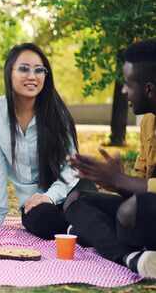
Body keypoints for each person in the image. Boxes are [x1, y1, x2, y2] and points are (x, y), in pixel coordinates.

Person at [66, 39, 156, 278]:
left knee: (129, 212)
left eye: (128, 84)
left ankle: (98, 235)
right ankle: (131, 258)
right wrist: (114, 182)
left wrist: (121, 181)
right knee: (76, 200)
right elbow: (141, 185)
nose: (124, 91)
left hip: (144, 211)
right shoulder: (149, 122)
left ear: (148, 89)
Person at [0, 43, 87, 240]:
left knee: (84, 208)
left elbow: (72, 167)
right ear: (9, 73)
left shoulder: (58, 113)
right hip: (35, 205)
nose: (32, 76)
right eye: (23, 69)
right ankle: (80, 231)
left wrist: (50, 196)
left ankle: (86, 230)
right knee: (39, 219)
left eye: (39, 70)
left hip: (70, 188)